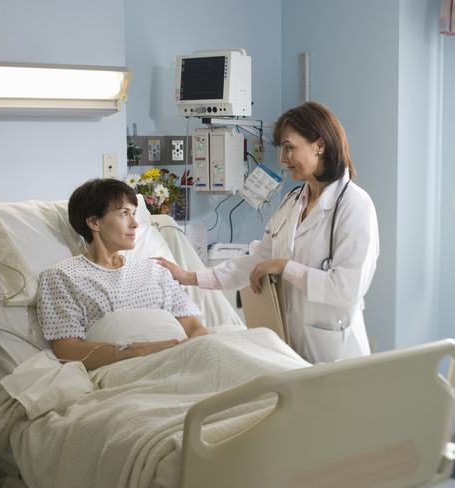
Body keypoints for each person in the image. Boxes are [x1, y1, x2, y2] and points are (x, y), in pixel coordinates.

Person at [155, 101, 379, 363]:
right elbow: (256, 261)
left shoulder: (355, 205)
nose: (283, 160)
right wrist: (189, 277)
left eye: (289, 147)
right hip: (290, 350)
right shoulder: (292, 203)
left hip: (336, 353)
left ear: (319, 145)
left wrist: (285, 267)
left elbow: (347, 289)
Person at [37, 178, 208, 370]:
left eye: (134, 213)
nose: (135, 224)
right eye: (124, 213)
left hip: (187, 359)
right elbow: (68, 351)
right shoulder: (62, 276)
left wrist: (189, 352)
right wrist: (141, 352)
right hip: (128, 370)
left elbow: (196, 329)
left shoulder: (155, 270)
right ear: (94, 222)